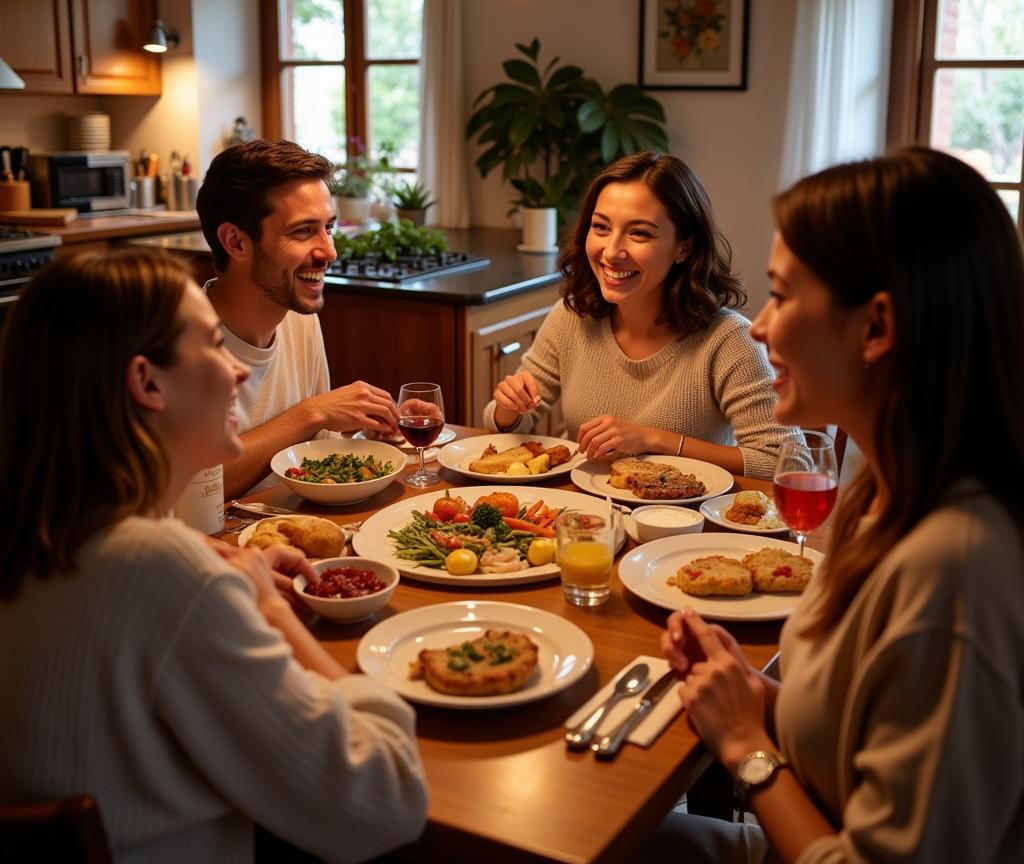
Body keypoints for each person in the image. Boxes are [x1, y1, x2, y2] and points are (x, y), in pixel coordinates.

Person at [0, 248, 428, 863]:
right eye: (210, 344)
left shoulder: (43, 536)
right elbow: (386, 797)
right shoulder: (161, 573)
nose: (237, 372)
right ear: (147, 382)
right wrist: (271, 613)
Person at [659, 148, 1024, 862]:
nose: (759, 326)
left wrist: (745, 748)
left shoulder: (956, 570)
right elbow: (856, 735)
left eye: (783, 295)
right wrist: (751, 695)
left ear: (878, 328)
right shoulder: (876, 492)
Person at [484, 151, 794, 479]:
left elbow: (787, 463)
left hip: (688, 524)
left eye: (639, 233)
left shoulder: (729, 339)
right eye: (601, 227)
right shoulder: (571, 317)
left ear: (683, 248)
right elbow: (502, 424)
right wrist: (509, 407)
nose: (612, 251)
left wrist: (654, 439)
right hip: (583, 516)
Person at [196, 139, 398, 498]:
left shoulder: (298, 317)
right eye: (303, 231)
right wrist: (312, 413)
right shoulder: (178, 346)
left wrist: (370, 426)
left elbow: (316, 449)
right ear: (235, 242)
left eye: (329, 228)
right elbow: (197, 485)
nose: (329, 252)